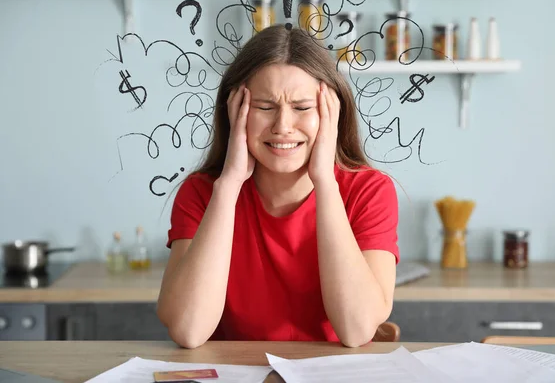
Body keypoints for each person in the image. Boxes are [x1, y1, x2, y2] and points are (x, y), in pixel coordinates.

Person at [157, 24, 399, 349]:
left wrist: (325, 182)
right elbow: (188, 330)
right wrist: (228, 186)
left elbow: (356, 331)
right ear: (234, 112)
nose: (283, 126)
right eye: (265, 107)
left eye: (301, 108)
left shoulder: (370, 191)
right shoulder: (202, 192)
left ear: (332, 114)